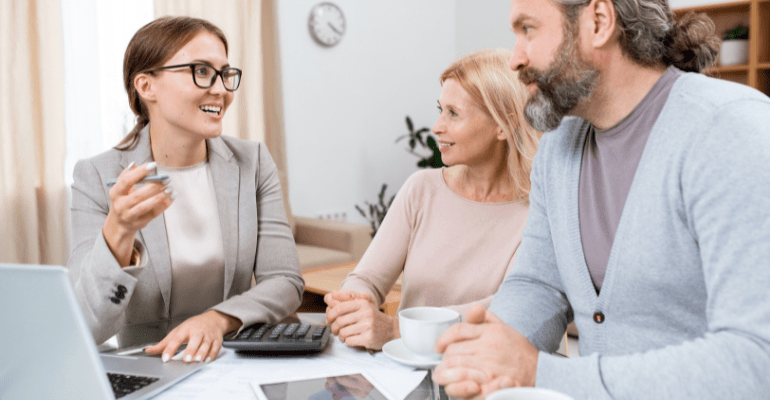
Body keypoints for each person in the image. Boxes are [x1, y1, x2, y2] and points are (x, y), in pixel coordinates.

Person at [433, 0, 770, 398]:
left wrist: (537, 372)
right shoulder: (558, 148)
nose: (515, 59)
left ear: (598, 21)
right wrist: (487, 357)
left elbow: (755, 359)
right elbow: (539, 284)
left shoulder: (733, 130)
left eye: (528, 30)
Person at [67, 16, 304, 364]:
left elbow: (285, 280)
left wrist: (216, 320)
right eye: (201, 71)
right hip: (148, 366)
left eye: (225, 73)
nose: (221, 89)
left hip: (232, 363)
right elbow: (87, 326)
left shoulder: (252, 162)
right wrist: (119, 229)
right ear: (147, 86)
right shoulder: (97, 176)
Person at [324, 49, 541, 351]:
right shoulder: (421, 189)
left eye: (453, 113)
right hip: (402, 372)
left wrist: (396, 330)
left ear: (502, 125)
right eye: (440, 109)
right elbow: (368, 278)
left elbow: (507, 310)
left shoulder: (537, 211)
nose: (436, 126)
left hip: (483, 376)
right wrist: (353, 302)